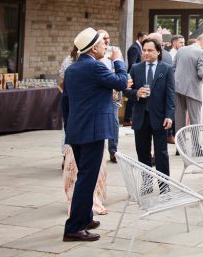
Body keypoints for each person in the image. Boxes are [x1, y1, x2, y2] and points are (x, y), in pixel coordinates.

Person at [60, 27, 128, 243]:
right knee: (87, 179)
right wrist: (118, 61)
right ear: (93, 47)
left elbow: (66, 102)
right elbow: (121, 82)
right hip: (93, 131)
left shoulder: (73, 69)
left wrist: (68, 129)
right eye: (102, 44)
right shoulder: (95, 67)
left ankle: (85, 217)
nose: (106, 47)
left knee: (85, 176)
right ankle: (74, 227)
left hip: (78, 130)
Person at [126, 37, 175, 178]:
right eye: (144, 50)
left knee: (161, 153)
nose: (146, 53)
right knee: (142, 153)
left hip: (160, 117)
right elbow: (126, 90)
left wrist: (169, 116)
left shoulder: (166, 69)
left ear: (158, 52)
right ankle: (146, 186)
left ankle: (164, 187)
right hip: (140, 117)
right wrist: (136, 93)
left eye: (150, 50)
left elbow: (170, 95)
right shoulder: (135, 68)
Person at [173, 34, 203, 137]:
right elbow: (201, 74)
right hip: (193, 90)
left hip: (178, 87)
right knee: (195, 119)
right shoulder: (201, 52)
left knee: (179, 118)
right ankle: (196, 147)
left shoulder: (181, 50)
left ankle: (179, 145)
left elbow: (173, 66)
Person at [97, 29, 121, 163]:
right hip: (99, 94)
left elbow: (120, 70)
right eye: (103, 38)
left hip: (113, 93)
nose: (107, 40)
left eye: (108, 38)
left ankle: (113, 151)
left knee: (114, 121)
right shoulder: (95, 54)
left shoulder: (115, 51)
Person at [124, 31, 145, 127]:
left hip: (136, 74)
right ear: (140, 38)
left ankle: (128, 118)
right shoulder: (134, 48)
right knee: (131, 97)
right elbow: (132, 63)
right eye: (144, 38)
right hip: (133, 75)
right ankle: (127, 118)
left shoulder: (139, 47)